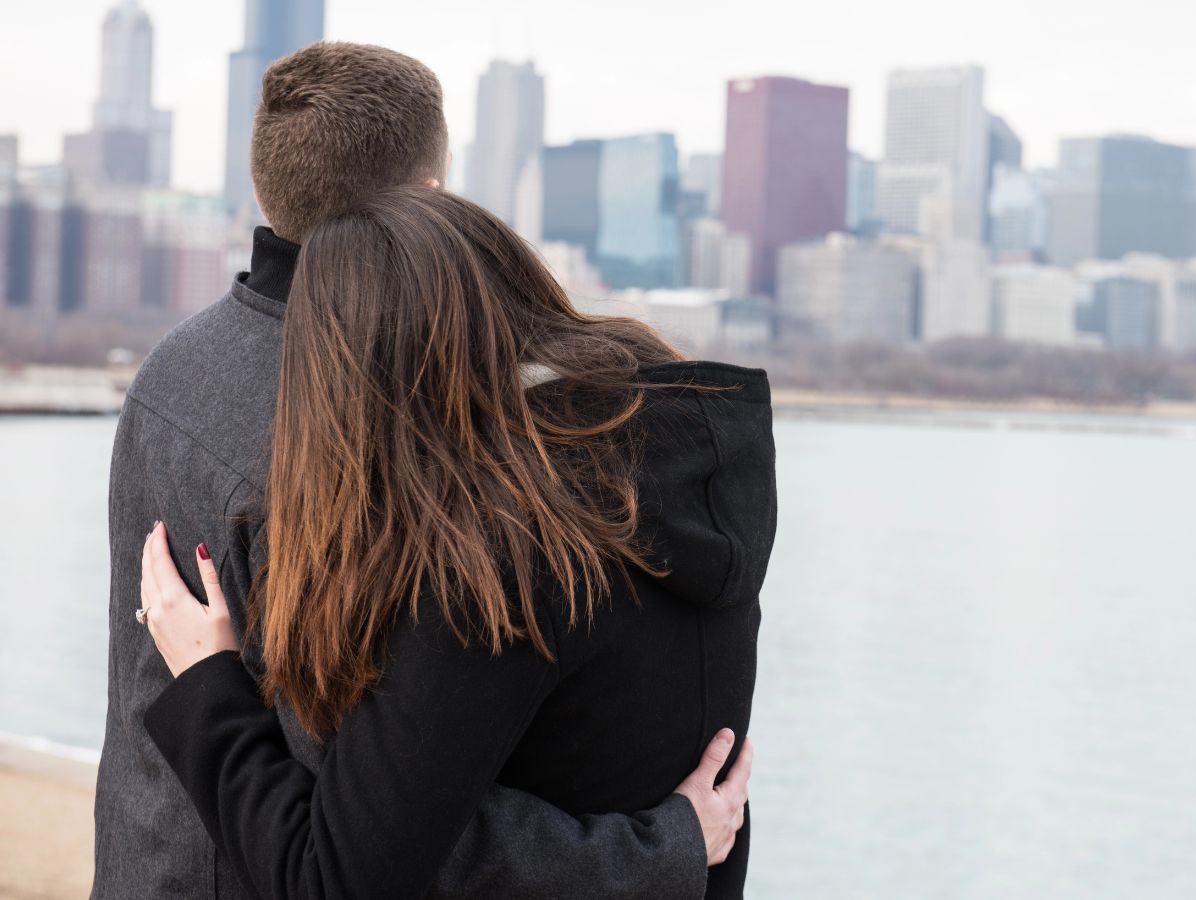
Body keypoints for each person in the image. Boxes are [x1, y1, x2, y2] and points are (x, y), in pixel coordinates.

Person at [95, 42, 765, 899]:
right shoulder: (368, 442)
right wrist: (659, 847)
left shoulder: (171, 374)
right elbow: (364, 837)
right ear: (433, 204)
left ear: (266, 190)